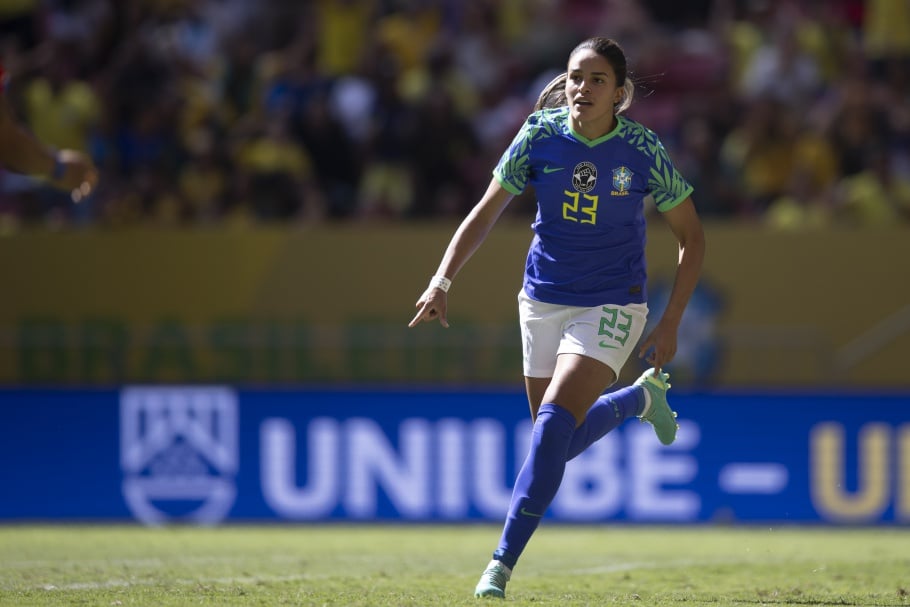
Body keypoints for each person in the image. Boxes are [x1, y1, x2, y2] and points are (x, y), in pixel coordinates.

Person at [408, 37, 705, 599]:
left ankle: (499, 565)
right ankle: (640, 400)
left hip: (613, 304)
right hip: (541, 301)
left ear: (619, 94)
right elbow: (486, 211)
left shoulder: (642, 149)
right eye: (575, 77)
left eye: (597, 80)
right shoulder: (539, 135)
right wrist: (441, 279)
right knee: (556, 441)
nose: (582, 88)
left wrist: (670, 323)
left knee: (550, 432)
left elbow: (692, 237)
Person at [0, 63, 97, 202]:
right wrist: (59, 167)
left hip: (51, 170)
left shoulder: (82, 93)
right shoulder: (35, 91)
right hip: (43, 175)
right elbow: (7, 141)